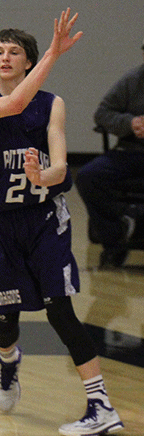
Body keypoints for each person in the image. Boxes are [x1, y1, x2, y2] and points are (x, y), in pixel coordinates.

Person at [0, 8, 123, 436]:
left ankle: (100, 405)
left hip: (44, 220)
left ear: (27, 61)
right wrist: (55, 52)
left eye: (14, 52)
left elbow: (60, 166)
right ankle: (8, 362)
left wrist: (44, 176)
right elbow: (13, 104)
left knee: (61, 311)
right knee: (6, 317)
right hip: (1, 222)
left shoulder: (54, 105)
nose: (4, 57)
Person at [75, 42, 144, 268]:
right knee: (88, 176)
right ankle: (117, 235)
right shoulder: (133, 80)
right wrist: (130, 123)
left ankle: (136, 218)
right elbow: (102, 113)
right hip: (131, 151)